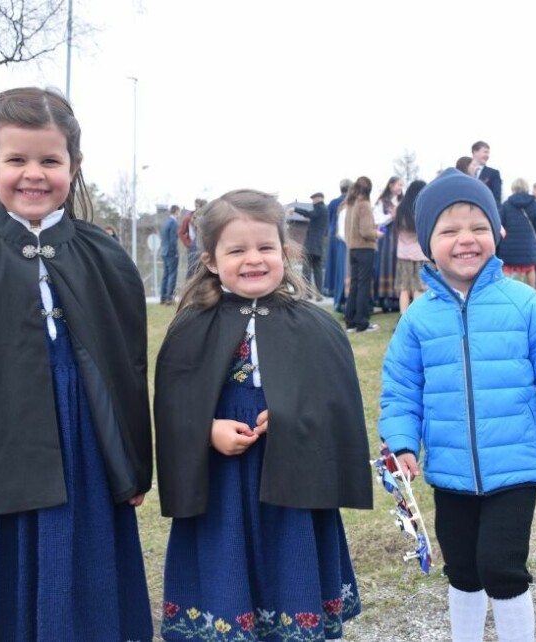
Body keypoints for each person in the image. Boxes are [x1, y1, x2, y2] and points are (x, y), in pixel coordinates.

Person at [0, 87, 154, 641]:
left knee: (85, 580)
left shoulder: (105, 255)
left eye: (50, 160)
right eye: (16, 160)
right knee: (1, 595)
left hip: (84, 447)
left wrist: (133, 465)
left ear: (74, 166)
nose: (33, 174)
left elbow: (127, 370)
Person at [379, 168, 536, 642]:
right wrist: (401, 442)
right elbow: (400, 389)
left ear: (497, 233)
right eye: (450, 230)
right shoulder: (417, 319)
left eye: (478, 227)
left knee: (500, 566)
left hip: (515, 464)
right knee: (462, 568)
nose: (465, 240)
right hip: (450, 469)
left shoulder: (524, 303)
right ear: (426, 242)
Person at [153, 189, 373, 642]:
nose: (253, 259)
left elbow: (337, 406)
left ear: (285, 252)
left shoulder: (316, 327)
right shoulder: (192, 325)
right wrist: (206, 430)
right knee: (226, 568)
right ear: (211, 259)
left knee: (287, 566)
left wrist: (296, 418)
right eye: (237, 250)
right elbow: (174, 407)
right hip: (221, 487)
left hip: (292, 487)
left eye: (265, 248)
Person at [344, 176, 381, 332]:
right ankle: (362, 323)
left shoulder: (351, 205)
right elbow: (366, 231)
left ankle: (351, 321)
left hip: (352, 249)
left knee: (354, 286)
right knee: (364, 287)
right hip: (365, 249)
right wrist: (377, 234)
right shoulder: (364, 205)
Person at [393, 179, 428, 314]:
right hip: (421, 255)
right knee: (419, 288)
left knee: (404, 289)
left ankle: (403, 319)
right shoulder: (421, 209)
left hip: (403, 255)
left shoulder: (400, 209)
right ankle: (416, 318)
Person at [497, 178, 536, 287]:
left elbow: (500, 224)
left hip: (509, 246)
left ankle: (506, 294)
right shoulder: (533, 204)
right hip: (527, 245)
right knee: (530, 269)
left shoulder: (506, 204)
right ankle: (533, 294)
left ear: (513, 188)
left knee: (507, 269)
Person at [373, 176, 404, 312]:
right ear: (391, 185)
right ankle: (385, 299)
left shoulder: (402, 200)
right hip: (386, 237)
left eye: (402, 185)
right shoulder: (382, 201)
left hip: (400, 236)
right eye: (398, 185)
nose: (400, 188)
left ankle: (398, 299)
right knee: (386, 264)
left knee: (398, 265)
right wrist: (391, 216)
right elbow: (377, 219)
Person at [294, 191, 328, 300]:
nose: (313, 202)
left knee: (306, 270)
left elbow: (309, 214)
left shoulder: (320, 209)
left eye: (313, 199)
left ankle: (307, 293)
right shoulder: (325, 212)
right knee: (317, 271)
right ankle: (319, 294)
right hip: (319, 245)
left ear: (319, 199)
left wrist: (295, 209)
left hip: (311, 245)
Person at [324, 179, 351, 312]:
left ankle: (334, 294)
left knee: (335, 267)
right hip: (343, 238)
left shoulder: (333, 202)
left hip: (334, 237)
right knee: (343, 268)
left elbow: (328, 220)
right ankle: (341, 296)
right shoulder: (350, 202)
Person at [160, 204, 181, 304]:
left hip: (164, 251)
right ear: (176, 211)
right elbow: (173, 239)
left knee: (165, 275)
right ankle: (169, 297)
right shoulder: (173, 223)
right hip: (171, 252)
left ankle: (163, 297)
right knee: (172, 275)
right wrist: (175, 252)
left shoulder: (165, 222)